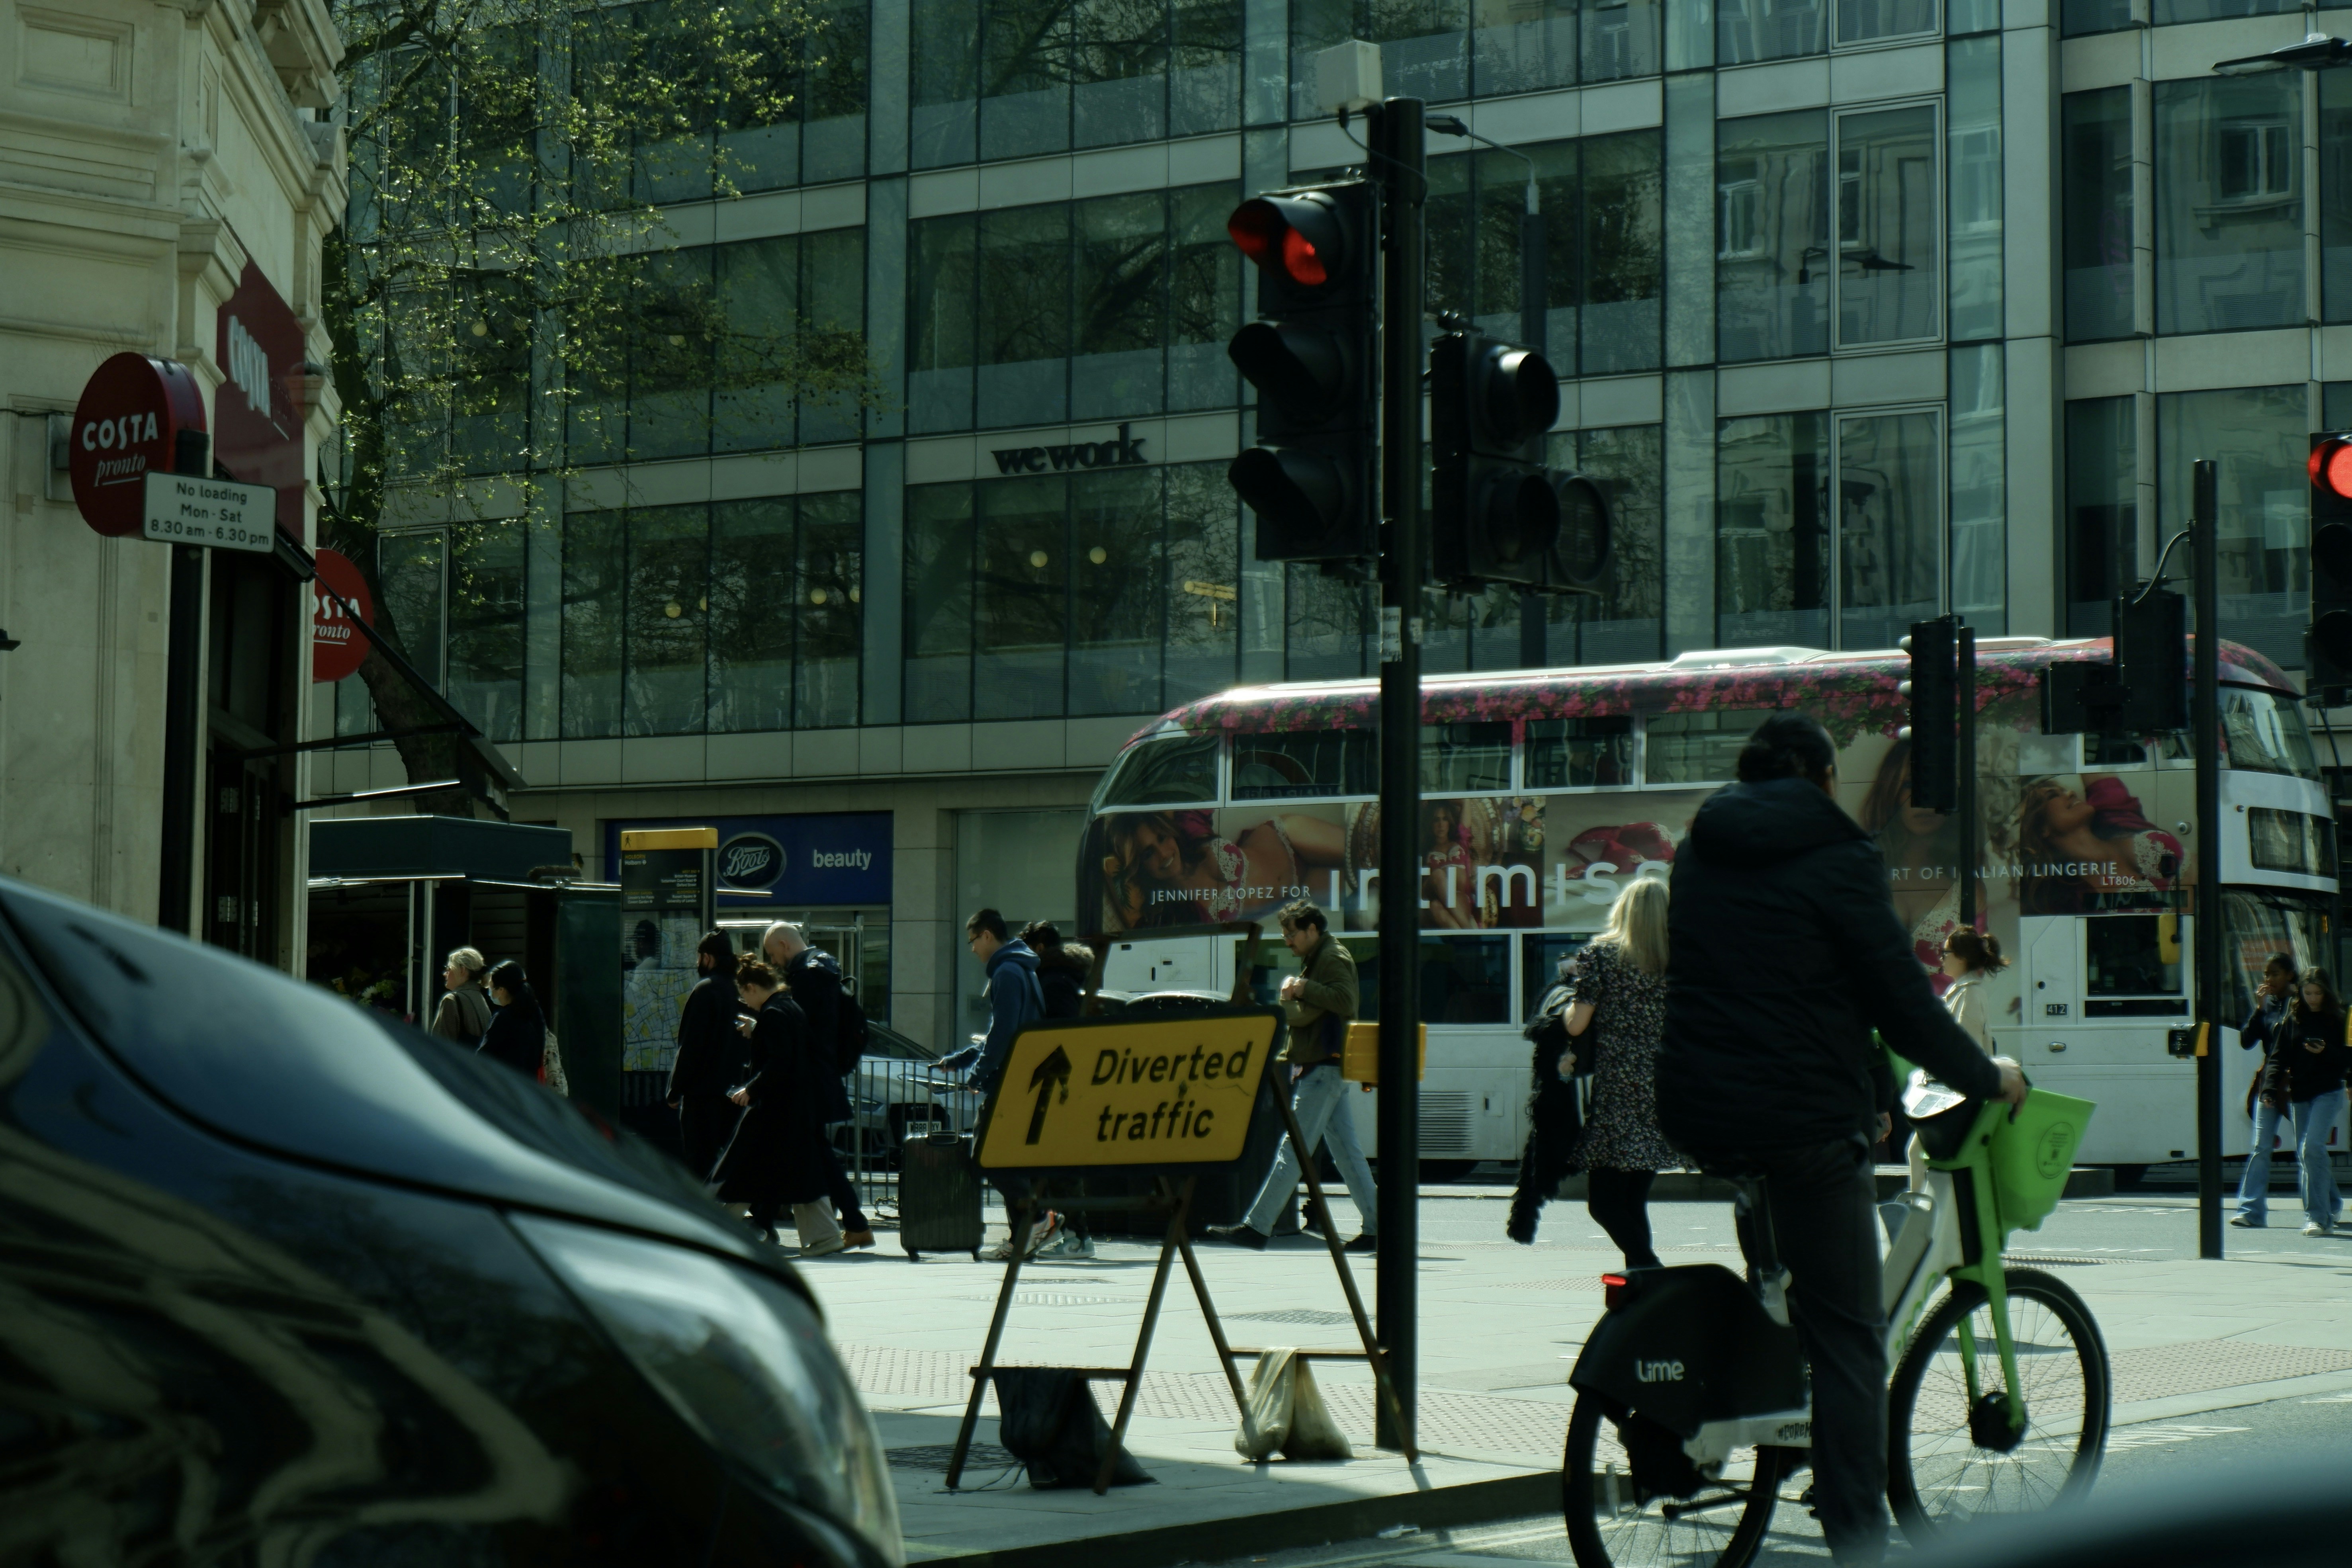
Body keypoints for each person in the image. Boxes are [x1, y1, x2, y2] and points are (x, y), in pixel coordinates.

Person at [1658, 712, 2024, 1568]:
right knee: (1851, 1332)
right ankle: (1858, 1539)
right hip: (1800, 1119)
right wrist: (1985, 1075)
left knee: (1787, 1280)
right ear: (1824, 780)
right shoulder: (1842, 857)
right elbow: (1900, 1000)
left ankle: (1761, 1380)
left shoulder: (1696, 848)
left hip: (1695, 1104)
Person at [1206, 899, 1380, 1255]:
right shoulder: (1320, 956)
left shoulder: (1332, 957)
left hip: (1322, 1068)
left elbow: (1346, 1001)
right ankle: (1379, 1228)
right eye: (1285, 933)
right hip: (1325, 1067)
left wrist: (1302, 989)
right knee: (1347, 1154)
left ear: (1312, 929)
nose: (1287, 940)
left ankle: (1257, 1227)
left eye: (1291, 933)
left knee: (1293, 1150)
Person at [1556, 877, 1676, 1271]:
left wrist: (1562, 1007)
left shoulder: (1602, 955)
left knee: (1604, 1203)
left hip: (1619, 1091)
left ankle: (1652, 1272)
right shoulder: (1679, 960)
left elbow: (1577, 1025)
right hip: (1661, 1088)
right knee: (1632, 1200)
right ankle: (1645, 1292)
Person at [939, 910, 1064, 1260]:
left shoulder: (1007, 972)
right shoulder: (1020, 969)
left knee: (985, 1156)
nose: (972, 950)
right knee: (1007, 1159)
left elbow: (1004, 1031)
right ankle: (1023, 1236)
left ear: (988, 936)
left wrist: (977, 1074)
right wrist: (963, 1059)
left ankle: (1039, 1220)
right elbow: (1007, 1029)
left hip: (1007, 1081)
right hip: (1019, 1078)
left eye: (973, 941)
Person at [711, 960, 844, 1256]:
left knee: (737, 1171)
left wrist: (751, 1089)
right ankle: (825, 1237)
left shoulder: (773, 1014)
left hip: (773, 1111)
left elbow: (780, 1061)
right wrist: (758, 1031)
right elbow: (795, 1052)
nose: (745, 1003)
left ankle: (711, 1231)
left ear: (752, 988)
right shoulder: (789, 1007)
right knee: (803, 1176)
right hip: (796, 1110)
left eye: (744, 996)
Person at [761, 922, 876, 1250]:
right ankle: (853, 1223)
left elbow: (796, 1030)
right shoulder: (826, 971)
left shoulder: (805, 978)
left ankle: (765, 1222)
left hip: (806, 1079)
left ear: (784, 945)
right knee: (810, 1151)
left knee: (804, 1152)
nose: (774, 962)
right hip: (822, 1075)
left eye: (773, 954)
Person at [2262, 968, 2350, 1236]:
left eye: (2317, 993)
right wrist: (2268, 1088)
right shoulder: (2293, 1018)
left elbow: (2348, 1058)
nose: (2312, 998)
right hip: (2299, 1093)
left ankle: (2317, 1218)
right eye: (2307, 993)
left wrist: (2326, 1051)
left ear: (2326, 993)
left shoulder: (2340, 1018)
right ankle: (2333, 1203)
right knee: (2307, 1156)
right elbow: (2278, 1056)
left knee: (2311, 1148)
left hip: (2329, 1091)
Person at [667, 931, 746, 1181]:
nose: (697, 963)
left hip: (702, 1096)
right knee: (732, 1159)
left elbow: (691, 1045)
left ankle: (705, 1213)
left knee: (700, 1161)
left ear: (708, 958)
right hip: (736, 1093)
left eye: (699, 957)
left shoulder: (705, 991)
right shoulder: (743, 990)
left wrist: (675, 1089)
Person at [2233, 953, 2299, 1228]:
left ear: (2288, 976)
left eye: (2274, 974)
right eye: (2265, 975)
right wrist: (2258, 1009)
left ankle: (2328, 1205)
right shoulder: (2268, 1005)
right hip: (2270, 1081)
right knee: (2261, 1146)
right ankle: (2251, 1211)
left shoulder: (2299, 1003)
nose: (2268, 980)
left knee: (2309, 1148)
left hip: (2296, 1081)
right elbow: (2246, 1041)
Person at [476, 960, 546, 1077]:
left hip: (504, 1085)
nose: (489, 992)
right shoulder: (535, 1014)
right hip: (527, 1086)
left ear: (501, 990)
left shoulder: (503, 1018)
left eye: (491, 987)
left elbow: (483, 1056)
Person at [1939, 929, 2005, 1050]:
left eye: (1945, 953)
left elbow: (1968, 1048)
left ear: (1961, 958)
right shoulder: (1961, 991)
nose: (1941, 959)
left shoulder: (1969, 994)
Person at [429, 947, 493, 1044]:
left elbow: (440, 1047)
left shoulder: (452, 1001)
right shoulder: (483, 1003)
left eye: (449, 969)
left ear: (462, 970)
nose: (445, 974)